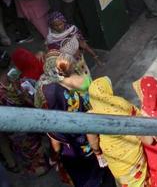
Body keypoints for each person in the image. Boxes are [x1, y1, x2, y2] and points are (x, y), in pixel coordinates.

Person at [41, 52, 115, 187]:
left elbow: (56, 144)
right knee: (103, 173)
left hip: (75, 152)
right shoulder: (80, 84)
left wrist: (54, 156)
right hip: (92, 142)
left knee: (86, 179)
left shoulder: (53, 95)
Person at [88, 77, 148, 187]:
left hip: (114, 158)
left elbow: (93, 141)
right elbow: (138, 120)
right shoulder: (120, 103)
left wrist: (97, 153)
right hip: (133, 154)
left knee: (124, 182)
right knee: (139, 180)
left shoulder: (92, 115)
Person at [0, 55, 49, 176]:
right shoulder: (13, 75)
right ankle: (39, 165)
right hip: (23, 120)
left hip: (16, 124)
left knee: (30, 147)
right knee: (31, 146)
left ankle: (38, 167)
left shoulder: (10, 80)